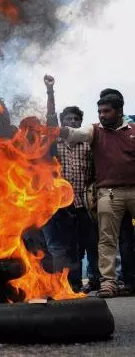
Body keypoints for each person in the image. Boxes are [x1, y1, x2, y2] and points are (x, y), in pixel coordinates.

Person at [59, 89, 135, 298]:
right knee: (107, 239)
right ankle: (108, 283)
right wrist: (57, 131)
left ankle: (128, 281)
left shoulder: (132, 131)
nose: (102, 115)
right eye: (99, 111)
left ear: (119, 111)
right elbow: (75, 134)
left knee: (126, 240)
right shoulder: (94, 131)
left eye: (106, 111)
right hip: (108, 194)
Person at [41, 75, 99, 293]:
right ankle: (67, 286)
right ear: (62, 122)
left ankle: (89, 282)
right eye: (69, 119)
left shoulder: (87, 146)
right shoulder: (54, 143)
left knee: (87, 246)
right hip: (62, 206)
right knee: (64, 248)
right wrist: (50, 91)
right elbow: (49, 119)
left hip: (83, 204)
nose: (73, 123)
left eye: (77, 120)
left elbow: (93, 174)